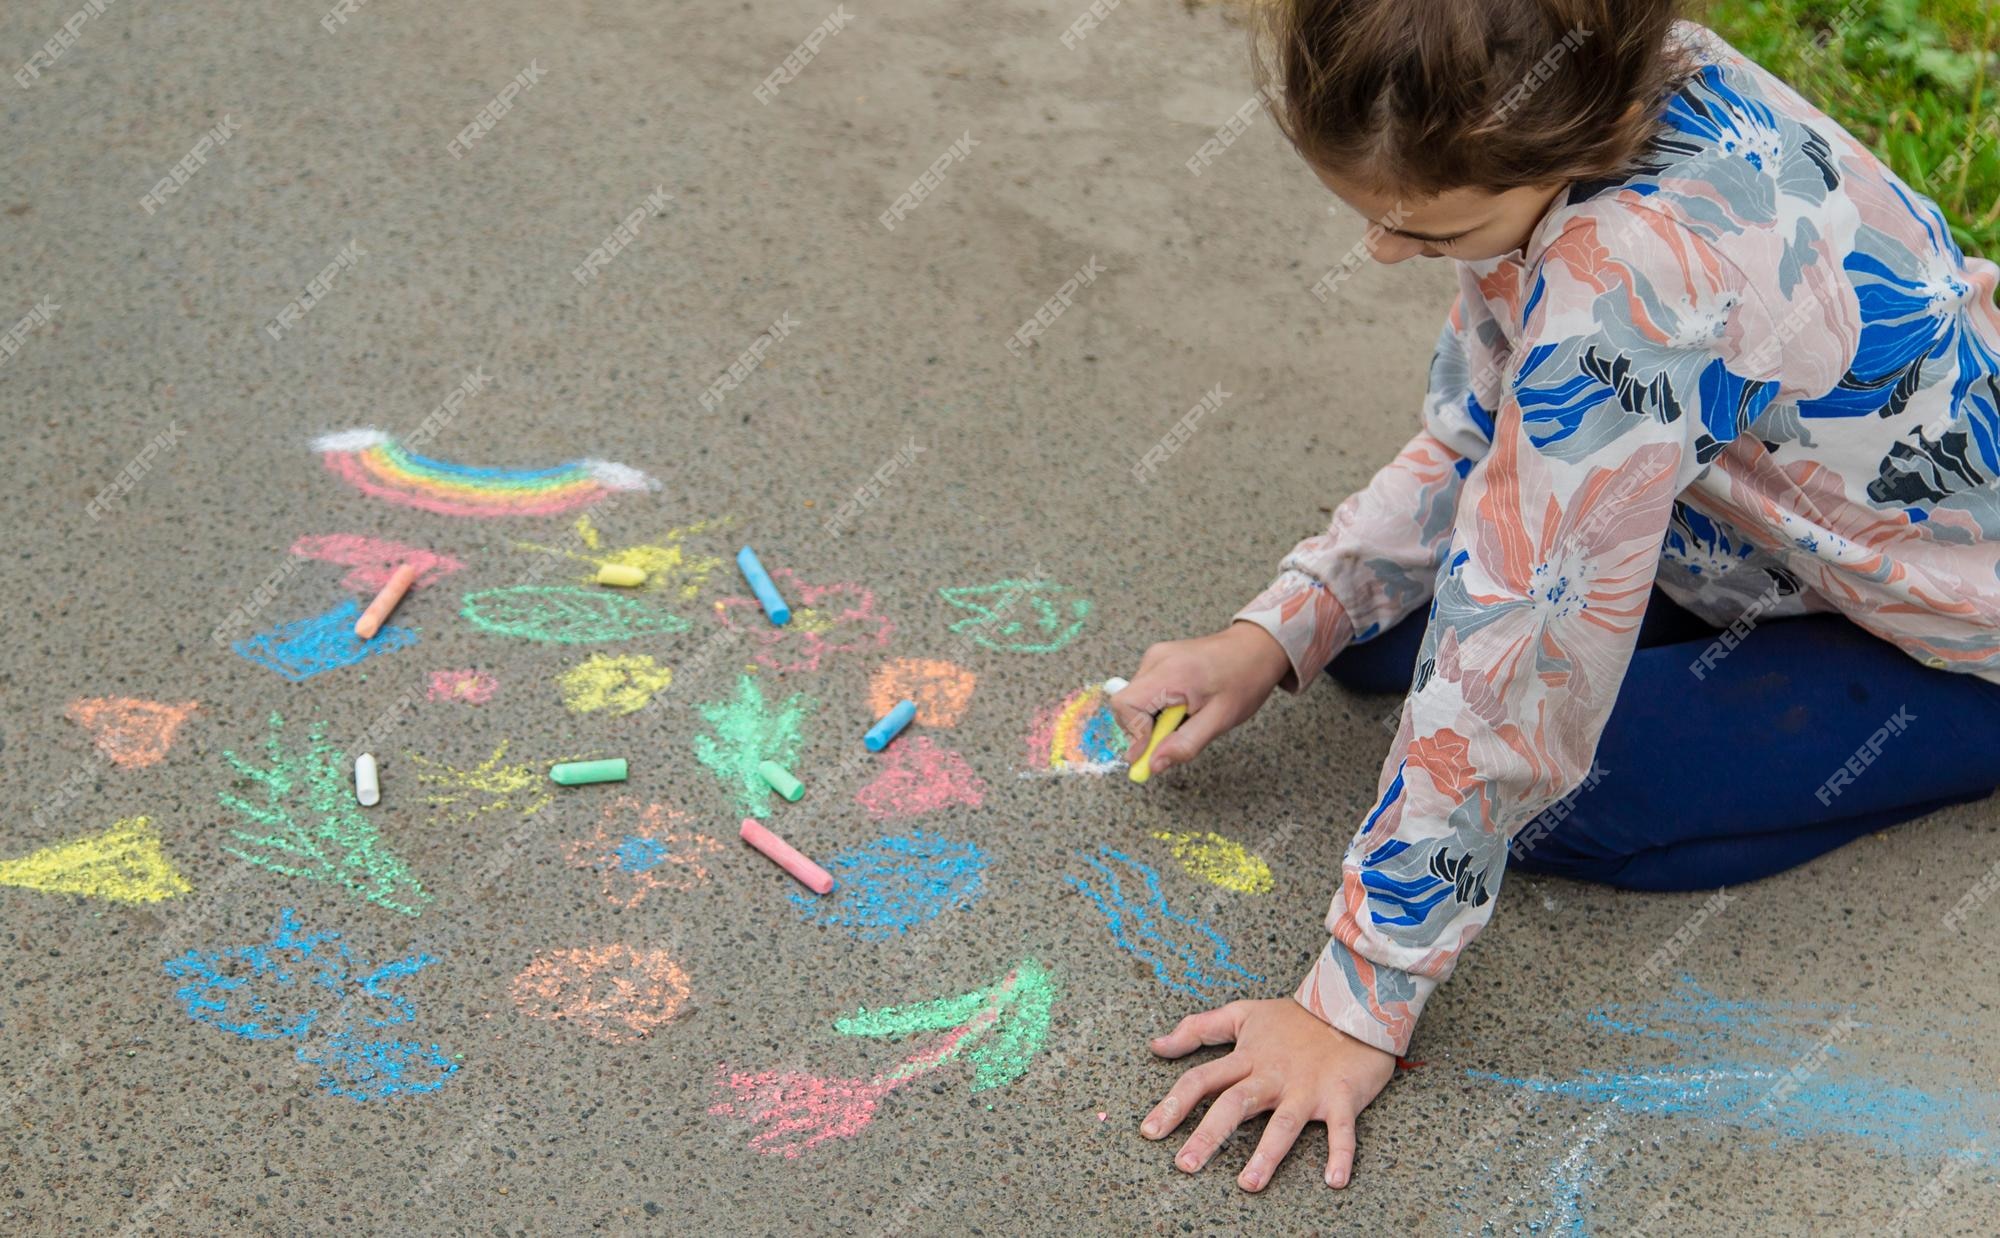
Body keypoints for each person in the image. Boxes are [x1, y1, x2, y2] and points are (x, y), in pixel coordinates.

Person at [1111, 0, 2000, 1193]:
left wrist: (1354, 1000)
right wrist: (1277, 627)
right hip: (1759, 507)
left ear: (1580, 141)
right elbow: (1488, 431)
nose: (1379, 249)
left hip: (1945, 605)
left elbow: (1524, 634)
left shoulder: (1625, 277)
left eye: (1424, 229)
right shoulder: (1596, 69)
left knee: (1562, 796)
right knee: (1372, 653)